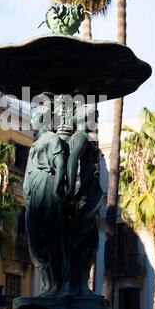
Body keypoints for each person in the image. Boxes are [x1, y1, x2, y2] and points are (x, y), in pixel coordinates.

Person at [23, 100, 67, 296]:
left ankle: (54, 285)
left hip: (46, 187)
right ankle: (45, 285)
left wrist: (58, 188)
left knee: (49, 238)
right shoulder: (34, 144)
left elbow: (60, 164)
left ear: (41, 119)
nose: (30, 119)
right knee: (34, 241)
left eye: (33, 116)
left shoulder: (52, 139)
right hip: (32, 193)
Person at [60, 103, 103, 296]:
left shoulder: (86, 138)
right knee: (80, 241)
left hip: (90, 193)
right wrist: (70, 189)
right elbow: (72, 160)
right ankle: (73, 284)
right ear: (85, 118)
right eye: (95, 117)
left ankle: (81, 284)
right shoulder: (80, 137)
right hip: (83, 195)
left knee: (89, 241)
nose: (97, 121)